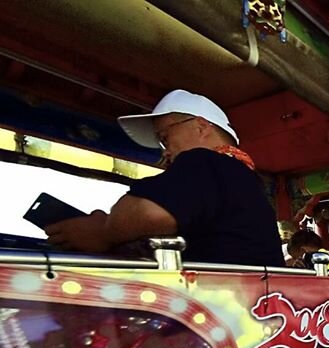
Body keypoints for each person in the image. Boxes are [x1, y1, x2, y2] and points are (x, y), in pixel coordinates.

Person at [44, 89, 285, 267]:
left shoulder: (206, 161)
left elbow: (149, 212)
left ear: (201, 127)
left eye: (165, 137)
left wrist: (101, 231)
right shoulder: (242, 177)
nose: (165, 152)